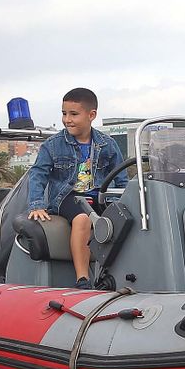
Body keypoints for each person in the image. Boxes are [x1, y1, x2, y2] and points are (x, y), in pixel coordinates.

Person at [26, 87, 123, 289]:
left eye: (73, 114)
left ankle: (118, 277)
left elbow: (121, 178)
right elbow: (38, 174)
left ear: (91, 115)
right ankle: (82, 279)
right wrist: (37, 204)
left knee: (124, 221)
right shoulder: (53, 145)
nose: (67, 119)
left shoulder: (108, 145)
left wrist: (125, 204)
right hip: (69, 197)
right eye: (64, 114)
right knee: (82, 219)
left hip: (100, 198)